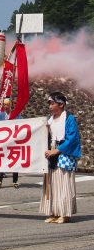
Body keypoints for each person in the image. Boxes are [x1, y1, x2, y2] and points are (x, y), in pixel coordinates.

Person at [40, 91, 81, 224]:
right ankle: (54, 212)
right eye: (49, 103)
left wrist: (57, 150)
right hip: (51, 153)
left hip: (64, 154)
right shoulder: (49, 119)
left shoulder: (69, 119)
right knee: (52, 183)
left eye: (52, 103)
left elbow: (72, 139)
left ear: (61, 104)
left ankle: (65, 213)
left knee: (63, 183)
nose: (49, 105)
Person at [0, 98, 20, 189]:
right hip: (3, 141)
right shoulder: (0, 116)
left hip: (13, 141)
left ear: (11, 105)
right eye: (4, 104)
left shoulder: (16, 115)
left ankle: (15, 181)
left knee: (15, 160)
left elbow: (22, 124)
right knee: (1, 160)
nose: (6, 106)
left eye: (8, 104)